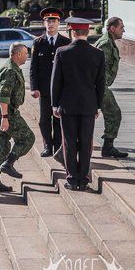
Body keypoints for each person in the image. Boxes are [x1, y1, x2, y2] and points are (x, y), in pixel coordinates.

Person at [51, 17, 105, 191]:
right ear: (87, 32)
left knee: (69, 142)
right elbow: (101, 83)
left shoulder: (62, 51)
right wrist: (97, 106)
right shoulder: (98, 53)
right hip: (89, 105)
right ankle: (83, 178)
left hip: (67, 105)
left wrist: (54, 104)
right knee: (86, 141)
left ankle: (72, 178)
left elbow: (56, 81)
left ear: (72, 32)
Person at [0, 43, 35, 192]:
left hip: (2, 110)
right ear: (18, 55)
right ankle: (8, 163)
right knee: (28, 138)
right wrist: (5, 117)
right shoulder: (10, 70)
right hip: (6, 111)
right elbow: (4, 96)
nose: (27, 56)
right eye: (26, 54)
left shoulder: (11, 67)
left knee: (1, 143)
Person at [29, 8, 71, 157]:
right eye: (48, 21)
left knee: (58, 118)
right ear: (44, 23)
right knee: (44, 120)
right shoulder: (38, 42)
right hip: (45, 90)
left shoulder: (66, 42)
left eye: (53, 21)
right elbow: (33, 67)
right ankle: (47, 146)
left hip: (61, 90)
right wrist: (34, 87)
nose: (50, 24)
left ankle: (58, 145)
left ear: (59, 23)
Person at [94, 17, 129, 158]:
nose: (124, 30)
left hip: (100, 85)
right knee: (114, 113)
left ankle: (108, 146)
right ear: (112, 28)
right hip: (99, 86)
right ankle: (108, 147)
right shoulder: (105, 44)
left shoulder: (109, 42)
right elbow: (96, 68)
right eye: (121, 27)